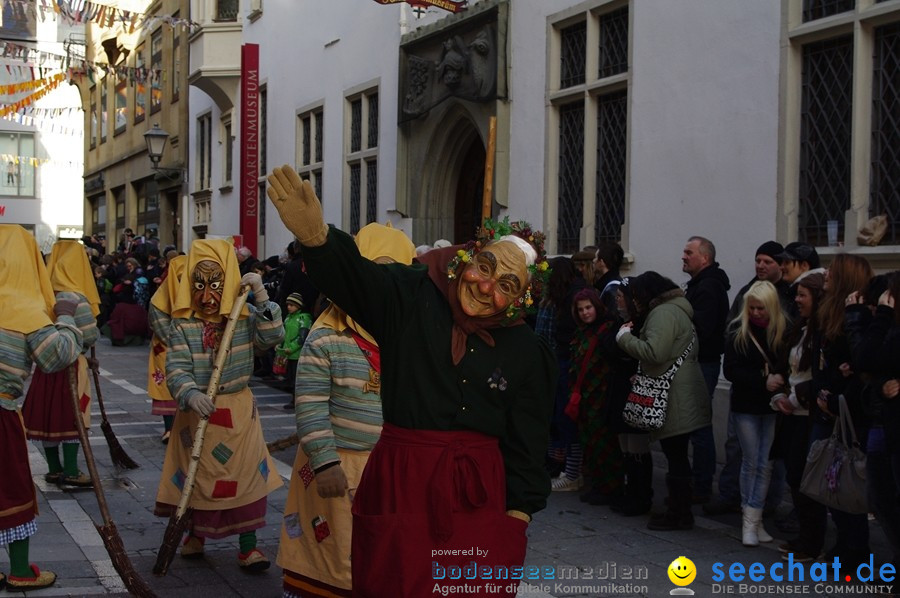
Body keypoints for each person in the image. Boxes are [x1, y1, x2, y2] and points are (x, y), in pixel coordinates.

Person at [267, 165, 556, 597]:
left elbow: (528, 443)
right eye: (485, 266)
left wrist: (517, 518)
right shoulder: (411, 294)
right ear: (467, 257)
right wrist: (318, 240)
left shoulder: (527, 352)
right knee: (393, 583)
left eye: (506, 284)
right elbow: (358, 279)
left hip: (478, 493)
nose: (485, 285)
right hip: (401, 480)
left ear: (520, 301)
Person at [278, 223, 416, 598]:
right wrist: (324, 461)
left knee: (381, 557)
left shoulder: (411, 338)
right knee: (335, 554)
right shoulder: (326, 338)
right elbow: (309, 404)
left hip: (389, 468)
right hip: (337, 469)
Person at [154, 240, 284, 571]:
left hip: (238, 410)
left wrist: (262, 296)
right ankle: (193, 536)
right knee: (198, 478)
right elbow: (176, 368)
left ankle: (248, 546)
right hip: (197, 415)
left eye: (215, 285)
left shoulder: (243, 315)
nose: (207, 294)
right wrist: (189, 393)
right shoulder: (183, 325)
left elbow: (272, 338)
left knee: (245, 478)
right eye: (199, 285)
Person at [0, 225, 85, 590]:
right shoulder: (24, 309)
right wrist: (66, 315)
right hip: (0, 417)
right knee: (11, 490)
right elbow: (57, 355)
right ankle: (20, 571)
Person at [616, 271, 711, 531]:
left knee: (676, 455)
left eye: (635, 296)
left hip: (674, 395)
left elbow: (655, 352)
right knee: (677, 454)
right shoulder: (675, 310)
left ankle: (678, 514)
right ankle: (678, 509)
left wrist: (625, 339)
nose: (634, 302)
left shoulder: (663, 314)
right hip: (680, 390)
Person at [707, 240, 791, 517]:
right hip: (745, 389)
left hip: (775, 393)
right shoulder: (747, 292)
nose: (761, 266)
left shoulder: (788, 295)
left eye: (767, 261)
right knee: (736, 446)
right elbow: (732, 334)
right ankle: (733, 495)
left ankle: (768, 503)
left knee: (770, 454)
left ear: (781, 264)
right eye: (758, 260)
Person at [22, 240, 100, 489]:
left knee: (49, 414)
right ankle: (71, 470)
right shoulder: (77, 297)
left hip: (45, 365)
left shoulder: (41, 294)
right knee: (71, 415)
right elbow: (88, 336)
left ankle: (54, 468)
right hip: (71, 366)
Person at [722, 281, 789, 546]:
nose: (756, 313)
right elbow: (731, 371)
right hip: (746, 405)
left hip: (772, 405)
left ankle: (756, 518)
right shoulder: (738, 331)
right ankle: (749, 522)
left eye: (761, 308)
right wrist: (763, 380)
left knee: (766, 463)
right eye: (752, 308)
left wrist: (778, 381)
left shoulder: (783, 331)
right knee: (751, 461)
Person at [772, 272, 825, 562]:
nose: (798, 300)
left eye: (803, 295)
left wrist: (795, 397)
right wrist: (778, 384)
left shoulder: (824, 332)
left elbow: (819, 376)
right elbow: (788, 365)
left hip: (809, 415)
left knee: (808, 480)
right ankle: (806, 537)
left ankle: (813, 541)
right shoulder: (800, 329)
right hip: (792, 413)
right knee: (795, 476)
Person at [681, 235, 730, 503]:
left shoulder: (709, 288)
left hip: (703, 363)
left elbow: (701, 329)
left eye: (689, 252)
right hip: (698, 362)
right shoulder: (699, 285)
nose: (683, 256)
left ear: (705, 258)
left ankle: (701, 485)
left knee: (699, 426)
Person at [567, 287, 623, 505]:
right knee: (589, 443)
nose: (585, 313)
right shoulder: (582, 331)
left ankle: (610, 487)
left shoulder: (606, 329)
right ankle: (599, 485)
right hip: (585, 397)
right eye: (580, 309)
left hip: (602, 395)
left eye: (588, 307)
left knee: (604, 444)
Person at [146, 255, 187, 444]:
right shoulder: (159, 300)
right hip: (166, 349)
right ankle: (169, 428)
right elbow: (162, 329)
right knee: (167, 388)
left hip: (190, 350)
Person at [277, 293, 312, 410]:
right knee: (291, 378)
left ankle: (296, 401)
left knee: (297, 380)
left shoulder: (304, 318)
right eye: (288, 305)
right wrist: (279, 344)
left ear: (298, 305)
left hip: (297, 354)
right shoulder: (288, 318)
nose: (288, 307)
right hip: (288, 354)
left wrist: (291, 348)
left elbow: (302, 338)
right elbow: (284, 333)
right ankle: (294, 399)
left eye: (291, 305)